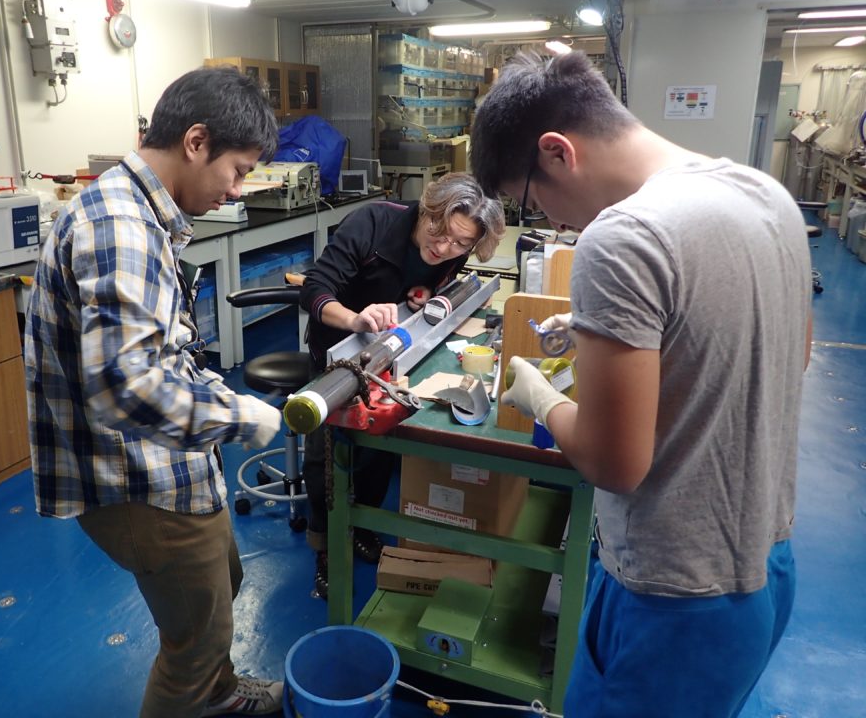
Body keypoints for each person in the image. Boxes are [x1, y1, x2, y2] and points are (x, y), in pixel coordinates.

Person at [471, 50, 812, 717]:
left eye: (531, 201)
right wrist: (612, 336)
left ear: (557, 151)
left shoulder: (622, 236)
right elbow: (782, 355)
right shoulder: (762, 192)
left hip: (672, 595)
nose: (554, 224)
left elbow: (613, 463)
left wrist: (538, 394)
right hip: (766, 567)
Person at [24, 66, 285, 718]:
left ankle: (219, 695)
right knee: (193, 641)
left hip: (167, 461)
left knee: (220, 587)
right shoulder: (121, 226)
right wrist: (237, 412)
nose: (238, 189)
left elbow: (158, 350)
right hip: (135, 478)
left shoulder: (137, 209)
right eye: (238, 168)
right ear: (196, 141)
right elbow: (127, 386)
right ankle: (201, 693)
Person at [298, 172, 505, 598]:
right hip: (338, 353)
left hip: (394, 353)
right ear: (427, 209)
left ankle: (365, 523)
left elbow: (432, 286)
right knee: (325, 453)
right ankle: (325, 544)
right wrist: (355, 318)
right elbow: (314, 291)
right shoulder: (370, 223)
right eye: (439, 231)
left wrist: (422, 299)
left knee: (381, 443)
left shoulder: (453, 252)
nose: (444, 248)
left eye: (460, 244)